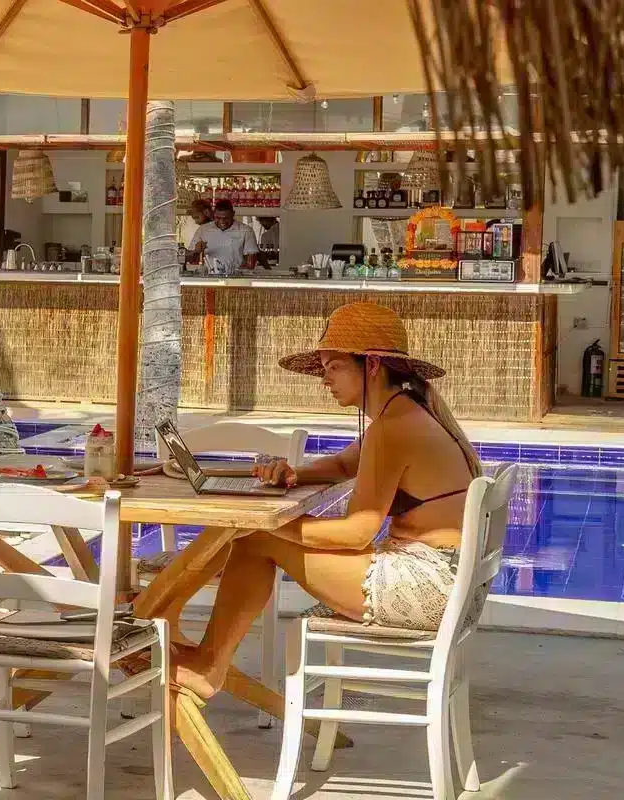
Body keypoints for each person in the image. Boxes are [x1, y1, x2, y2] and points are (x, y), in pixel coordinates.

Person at [163, 302, 481, 700]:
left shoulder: (395, 427)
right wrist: (294, 473)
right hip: (451, 583)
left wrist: (270, 522)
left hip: (426, 588)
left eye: (335, 367)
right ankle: (172, 622)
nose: (325, 379)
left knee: (255, 540)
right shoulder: (405, 411)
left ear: (372, 365)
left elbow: (356, 534)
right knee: (252, 536)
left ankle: (201, 659)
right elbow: (345, 464)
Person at [189, 199, 259, 273]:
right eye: (218, 218)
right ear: (214, 214)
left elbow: (251, 263)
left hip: (236, 277)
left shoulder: (246, 230)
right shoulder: (203, 230)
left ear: (233, 214)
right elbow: (190, 259)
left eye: (226, 218)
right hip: (209, 277)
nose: (222, 222)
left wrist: (238, 272)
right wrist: (196, 251)